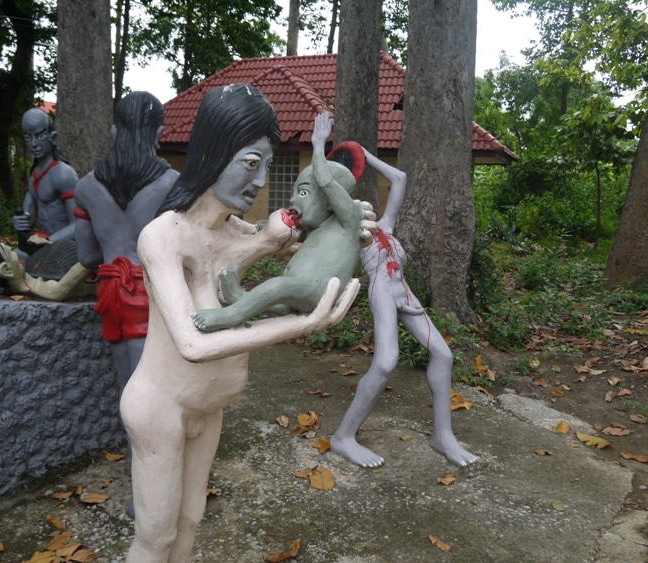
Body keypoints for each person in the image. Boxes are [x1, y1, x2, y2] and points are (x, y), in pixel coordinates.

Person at [120, 83, 360, 563]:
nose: (260, 180)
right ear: (213, 155)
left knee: (191, 519)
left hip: (208, 408)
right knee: (155, 538)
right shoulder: (164, 237)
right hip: (160, 408)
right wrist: (303, 325)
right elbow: (191, 341)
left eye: (267, 165)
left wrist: (350, 225)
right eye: (251, 163)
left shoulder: (239, 233)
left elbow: (304, 241)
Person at [329, 150, 478, 469]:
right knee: (385, 363)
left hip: (405, 293)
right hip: (382, 292)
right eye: (358, 207)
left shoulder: (387, 226)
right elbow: (331, 194)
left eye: (367, 206)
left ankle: (444, 435)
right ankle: (344, 437)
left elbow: (400, 178)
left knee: (443, 355)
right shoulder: (353, 236)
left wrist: (363, 155)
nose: (365, 209)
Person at [73, 91, 179, 508]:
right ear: (156, 131)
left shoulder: (85, 187)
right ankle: (148, 485)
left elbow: (85, 256)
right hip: (151, 293)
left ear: (116, 130)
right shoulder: (171, 184)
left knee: (127, 386)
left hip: (110, 293)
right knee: (153, 389)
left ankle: (136, 466)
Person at [192, 112, 365, 332]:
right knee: (279, 296)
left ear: (331, 200)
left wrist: (319, 144)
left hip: (315, 290)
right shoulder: (319, 227)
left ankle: (227, 317)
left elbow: (325, 181)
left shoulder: (348, 220)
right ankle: (239, 297)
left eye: (303, 193)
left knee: (279, 287)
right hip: (298, 291)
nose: (293, 199)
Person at [13, 108, 79, 256]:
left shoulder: (64, 174)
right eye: (28, 138)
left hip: (65, 247)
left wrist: (48, 242)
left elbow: (78, 225)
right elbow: (27, 219)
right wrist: (20, 221)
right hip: (42, 242)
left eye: (40, 136)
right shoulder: (34, 176)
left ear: (53, 137)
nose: (34, 144)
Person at [0, 236, 92, 301]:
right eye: (9, 252)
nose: (15, 253)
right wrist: (91, 257)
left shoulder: (14, 282)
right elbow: (57, 291)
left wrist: (43, 249)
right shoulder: (40, 288)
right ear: (6, 270)